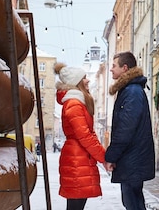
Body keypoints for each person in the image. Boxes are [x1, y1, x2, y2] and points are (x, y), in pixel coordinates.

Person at [105, 51, 155, 210]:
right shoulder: (130, 90)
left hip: (132, 158)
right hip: (132, 158)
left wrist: (111, 156)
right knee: (133, 201)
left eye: (114, 66)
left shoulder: (131, 92)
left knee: (132, 202)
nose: (111, 69)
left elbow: (125, 128)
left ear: (124, 68)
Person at [55, 62, 107, 210]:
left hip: (79, 158)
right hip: (76, 160)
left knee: (76, 205)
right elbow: (85, 136)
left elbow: (89, 134)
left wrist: (102, 156)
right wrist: (103, 157)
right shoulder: (74, 104)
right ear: (76, 82)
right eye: (84, 78)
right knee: (75, 206)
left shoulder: (78, 102)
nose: (88, 80)